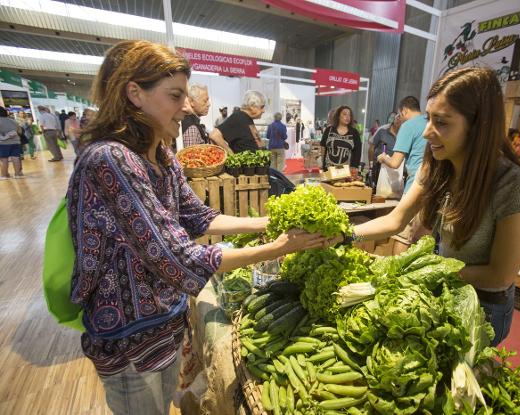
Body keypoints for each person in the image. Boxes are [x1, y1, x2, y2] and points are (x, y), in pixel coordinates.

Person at [69, 40, 328, 415]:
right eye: (175, 95)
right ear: (134, 93)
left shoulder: (161, 154)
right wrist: (280, 247)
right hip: (129, 337)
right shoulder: (110, 160)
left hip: (165, 324)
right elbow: (176, 254)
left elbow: (199, 217)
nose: (186, 107)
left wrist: (275, 221)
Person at [339, 68, 520, 346]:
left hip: (484, 305)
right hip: (444, 287)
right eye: (429, 118)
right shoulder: (437, 166)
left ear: (478, 126)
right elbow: (396, 220)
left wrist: (425, 270)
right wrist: (344, 234)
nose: (428, 132)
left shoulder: (513, 185)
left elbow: (500, 274)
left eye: (441, 122)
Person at [377, 96, 427, 194]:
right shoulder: (430, 122)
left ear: (404, 111)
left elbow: (395, 163)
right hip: (433, 182)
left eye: (400, 115)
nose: (400, 119)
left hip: (416, 184)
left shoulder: (408, 125)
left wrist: (383, 158)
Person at [320, 106, 361, 175]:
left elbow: (357, 151)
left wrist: (354, 166)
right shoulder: (329, 130)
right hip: (328, 170)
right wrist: (322, 163)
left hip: (345, 172)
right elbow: (323, 147)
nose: (347, 117)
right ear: (338, 116)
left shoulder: (354, 132)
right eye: (344, 114)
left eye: (349, 115)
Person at [367, 112, 404, 189]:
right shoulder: (382, 131)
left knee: (390, 193)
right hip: (379, 168)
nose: (398, 120)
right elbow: (371, 148)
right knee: (376, 190)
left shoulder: (404, 135)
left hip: (395, 171)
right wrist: (371, 165)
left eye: (401, 119)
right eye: (397, 117)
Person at [181, 83, 210, 147]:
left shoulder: (193, 122)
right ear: (191, 102)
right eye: (205, 101)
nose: (209, 104)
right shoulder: (191, 127)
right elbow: (190, 155)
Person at [0, 106, 24, 179]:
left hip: (3, 143)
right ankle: (17, 174)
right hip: (16, 142)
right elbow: (20, 131)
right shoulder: (13, 120)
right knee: (16, 158)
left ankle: (4, 175)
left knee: (4, 159)